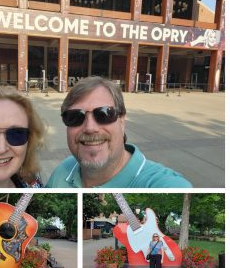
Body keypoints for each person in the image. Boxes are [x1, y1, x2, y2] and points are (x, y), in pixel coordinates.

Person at [46, 76, 192, 187]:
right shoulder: (63, 170)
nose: (90, 128)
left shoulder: (166, 185)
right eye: (75, 117)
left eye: (104, 114)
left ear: (122, 121)